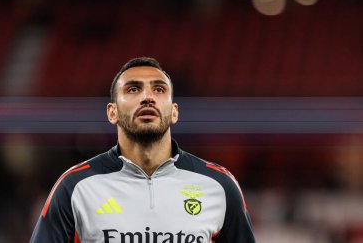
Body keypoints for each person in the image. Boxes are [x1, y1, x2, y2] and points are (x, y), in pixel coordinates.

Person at [30, 57, 256, 243]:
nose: (147, 97)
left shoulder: (219, 185)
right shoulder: (75, 187)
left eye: (159, 89)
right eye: (133, 89)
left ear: (174, 111)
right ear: (112, 112)